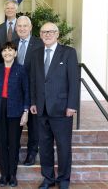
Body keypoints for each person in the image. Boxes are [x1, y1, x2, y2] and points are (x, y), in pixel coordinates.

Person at [30, 22, 79, 189]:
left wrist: (72, 105)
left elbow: (74, 81)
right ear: (40, 35)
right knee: (44, 147)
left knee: (63, 147)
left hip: (62, 108)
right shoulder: (36, 54)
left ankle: (63, 180)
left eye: (51, 32)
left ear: (57, 34)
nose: (47, 34)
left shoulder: (68, 53)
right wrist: (33, 102)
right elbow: (34, 80)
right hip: (42, 108)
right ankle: (48, 179)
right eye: (44, 32)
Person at [0, 42, 30, 187]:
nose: (7, 53)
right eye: (5, 51)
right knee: (1, 144)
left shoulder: (22, 69)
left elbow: (26, 92)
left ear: (15, 53)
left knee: (13, 144)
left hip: (16, 110)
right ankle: (3, 175)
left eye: (10, 50)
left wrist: (25, 112)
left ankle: (12, 175)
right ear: (1, 54)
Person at [13, 16, 44, 165]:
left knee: (33, 125)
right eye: (19, 26)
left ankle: (32, 153)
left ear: (31, 27)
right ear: (16, 28)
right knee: (15, 124)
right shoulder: (11, 44)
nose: (22, 28)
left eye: (25, 26)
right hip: (15, 93)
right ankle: (14, 151)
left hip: (34, 92)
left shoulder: (40, 44)